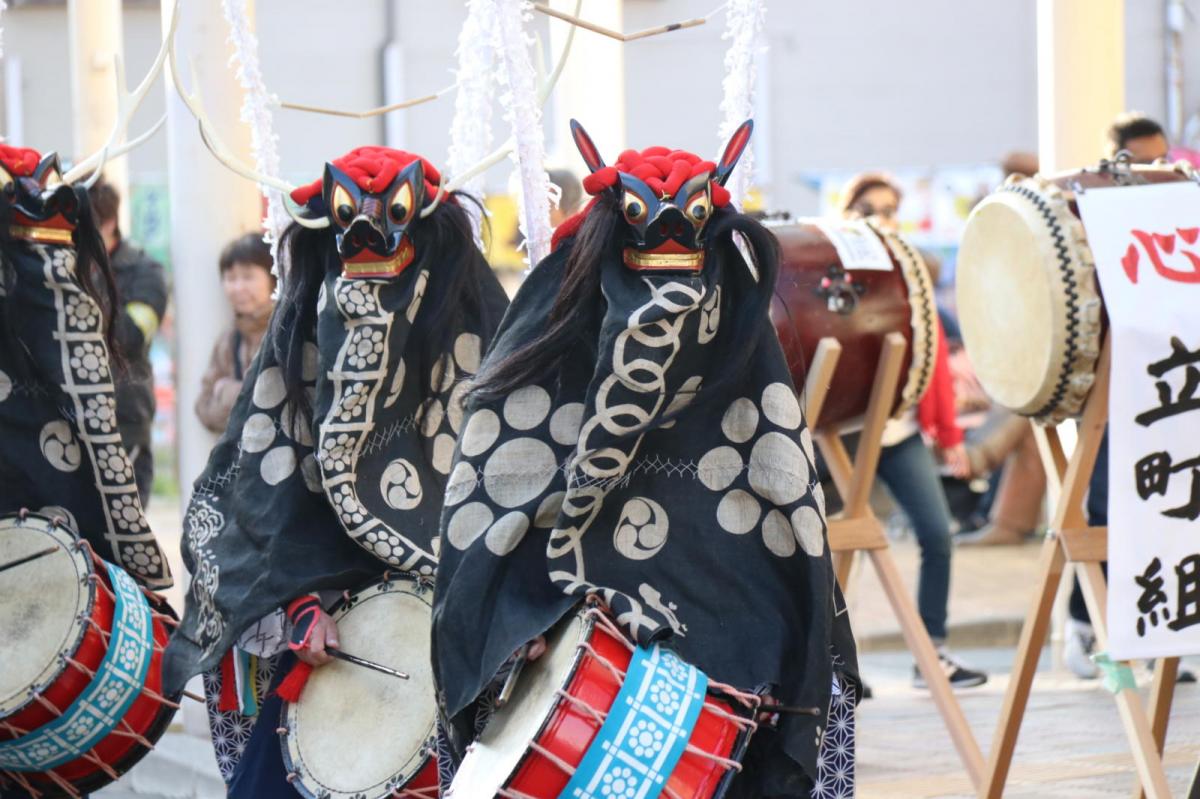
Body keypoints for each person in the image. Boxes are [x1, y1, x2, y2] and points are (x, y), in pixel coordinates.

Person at [433, 120, 859, 798]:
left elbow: (785, 515)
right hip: (572, 626)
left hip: (732, 645)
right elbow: (492, 511)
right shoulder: (555, 334)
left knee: (820, 689)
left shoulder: (742, 351)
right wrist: (516, 624)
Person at [161, 147, 509, 796]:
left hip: (462, 625)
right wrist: (296, 605)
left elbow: (514, 485)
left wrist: (516, 611)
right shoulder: (304, 330)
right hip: (328, 618)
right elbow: (261, 496)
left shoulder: (480, 330)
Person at [840, 172, 988, 688]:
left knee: (936, 534)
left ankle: (933, 654)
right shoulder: (835, 275)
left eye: (889, 208)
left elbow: (934, 365)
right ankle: (836, 666)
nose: (881, 217)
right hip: (844, 436)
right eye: (869, 208)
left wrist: (948, 437)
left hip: (900, 434)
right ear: (849, 212)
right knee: (837, 551)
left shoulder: (910, 276)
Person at [87, 178, 168, 504]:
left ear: (108, 223)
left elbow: (129, 338)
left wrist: (87, 283)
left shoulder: (145, 271)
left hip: (125, 418)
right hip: (72, 421)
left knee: (125, 533)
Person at [195, 233, 276, 434]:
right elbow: (203, 409)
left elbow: (278, 403)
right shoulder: (229, 338)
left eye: (248, 277)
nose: (238, 288)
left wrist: (227, 391)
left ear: (272, 277)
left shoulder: (285, 332)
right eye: (231, 278)